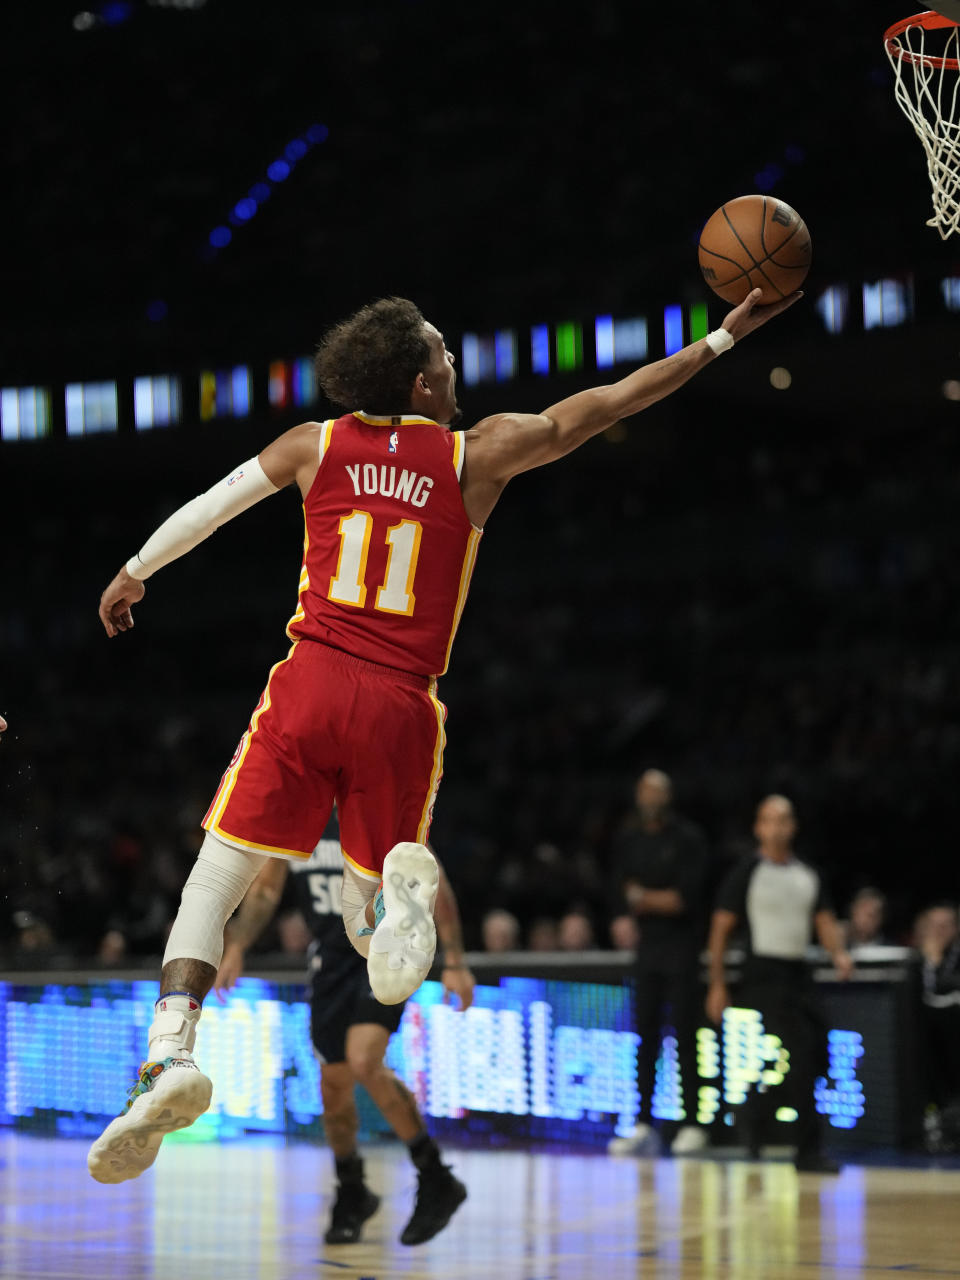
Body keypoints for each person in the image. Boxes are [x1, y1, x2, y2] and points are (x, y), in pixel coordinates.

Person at [89, 286, 799, 1184]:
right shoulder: (480, 452)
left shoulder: (313, 444)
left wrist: (133, 570)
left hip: (309, 682)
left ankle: (169, 1054)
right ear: (421, 383)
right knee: (364, 921)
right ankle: (390, 909)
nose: (454, 364)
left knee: (217, 876)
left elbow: (214, 505)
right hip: (401, 703)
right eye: (444, 353)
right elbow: (613, 402)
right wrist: (721, 341)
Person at [215, 815, 474, 1246]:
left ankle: (435, 1174)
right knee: (334, 1088)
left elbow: (435, 881)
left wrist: (456, 960)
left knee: (363, 1059)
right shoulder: (299, 819)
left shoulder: (377, 807)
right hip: (330, 960)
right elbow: (264, 889)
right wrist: (238, 945)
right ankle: (351, 1189)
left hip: (386, 950)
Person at [705, 794, 853, 1173]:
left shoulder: (807, 875)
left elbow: (823, 919)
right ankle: (801, 1149)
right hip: (763, 975)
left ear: (793, 826)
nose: (777, 827)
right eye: (770, 820)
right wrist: (717, 984)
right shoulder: (746, 872)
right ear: (758, 827)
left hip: (799, 973)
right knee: (794, 1056)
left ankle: (758, 1118)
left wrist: (838, 954)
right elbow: (721, 928)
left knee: (817, 1053)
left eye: (784, 819)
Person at [607, 769, 710, 1157]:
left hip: (683, 949)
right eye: (644, 792)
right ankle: (644, 1123)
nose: (649, 799)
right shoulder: (629, 840)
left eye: (656, 793)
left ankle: (692, 1123)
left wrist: (642, 899)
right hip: (647, 951)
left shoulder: (688, 839)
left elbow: (683, 899)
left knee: (685, 1037)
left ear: (667, 797)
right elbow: (620, 891)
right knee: (645, 1038)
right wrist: (631, 908)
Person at [840, 886, 889, 951]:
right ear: (852, 911)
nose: (866, 920)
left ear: (882, 918)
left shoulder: (890, 950)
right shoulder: (836, 943)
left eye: (872, 915)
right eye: (862, 912)